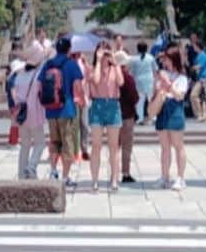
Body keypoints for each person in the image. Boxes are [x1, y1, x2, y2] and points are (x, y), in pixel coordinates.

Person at [39, 35, 83, 188]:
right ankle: (65, 177)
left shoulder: (48, 64)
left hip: (51, 110)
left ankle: (53, 171)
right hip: (67, 109)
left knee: (54, 141)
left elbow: (40, 85)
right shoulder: (71, 64)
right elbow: (78, 85)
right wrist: (82, 100)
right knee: (67, 143)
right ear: (69, 49)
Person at [87, 43, 124, 194]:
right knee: (96, 145)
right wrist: (98, 60)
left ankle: (114, 179)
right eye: (102, 50)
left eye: (107, 51)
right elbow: (95, 80)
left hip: (113, 105)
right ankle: (95, 180)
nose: (105, 55)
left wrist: (114, 62)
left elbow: (121, 82)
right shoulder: (92, 68)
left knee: (114, 146)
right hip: (98, 105)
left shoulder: (115, 68)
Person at [153, 46, 189, 191]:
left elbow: (180, 96)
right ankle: (165, 176)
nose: (165, 62)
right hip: (162, 109)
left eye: (167, 59)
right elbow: (156, 91)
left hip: (175, 110)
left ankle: (181, 177)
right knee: (165, 147)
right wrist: (159, 84)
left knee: (178, 145)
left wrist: (168, 85)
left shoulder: (182, 78)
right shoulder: (163, 74)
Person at [12, 42, 47, 180]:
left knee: (25, 144)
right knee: (40, 143)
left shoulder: (20, 74)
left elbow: (15, 93)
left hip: (21, 113)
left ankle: (21, 174)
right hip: (35, 113)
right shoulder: (38, 75)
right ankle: (31, 167)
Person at [115, 50, 139, 183]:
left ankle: (114, 171)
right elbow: (134, 97)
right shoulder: (128, 78)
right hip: (127, 114)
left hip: (114, 115)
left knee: (114, 146)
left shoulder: (111, 77)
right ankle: (125, 172)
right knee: (126, 146)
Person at [128, 42, 157, 124]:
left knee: (140, 102)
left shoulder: (133, 59)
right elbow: (155, 70)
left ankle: (139, 118)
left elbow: (131, 72)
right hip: (149, 81)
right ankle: (153, 117)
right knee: (151, 100)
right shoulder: (151, 58)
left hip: (138, 82)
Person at [189, 38, 206, 122]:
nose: (193, 48)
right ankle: (202, 115)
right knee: (202, 98)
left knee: (193, 95)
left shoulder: (203, 55)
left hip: (203, 79)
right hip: (198, 78)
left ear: (198, 46)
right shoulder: (197, 56)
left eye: (194, 46)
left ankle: (199, 114)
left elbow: (199, 66)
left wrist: (193, 68)